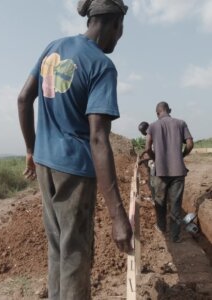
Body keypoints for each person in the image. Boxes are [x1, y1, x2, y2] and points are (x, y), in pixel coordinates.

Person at [17, 0, 132, 299]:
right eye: (121, 31)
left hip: (44, 164)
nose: (119, 38)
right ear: (114, 23)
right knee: (75, 256)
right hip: (75, 173)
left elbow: (22, 99)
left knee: (57, 247)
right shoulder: (101, 66)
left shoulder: (53, 47)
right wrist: (118, 216)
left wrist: (31, 149)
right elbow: (98, 138)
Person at [144, 101, 194, 243]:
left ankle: (161, 228)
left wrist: (156, 159)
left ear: (157, 113)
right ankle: (175, 236)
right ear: (169, 110)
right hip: (178, 171)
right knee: (176, 204)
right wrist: (182, 155)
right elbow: (190, 144)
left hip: (160, 172)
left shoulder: (152, 126)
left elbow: (147, 148)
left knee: (160, 202)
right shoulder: (181, 123)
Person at [138, 121, 155, 202]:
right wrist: (143, 153)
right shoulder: (150, 135)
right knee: (150, 181)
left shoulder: (154, 136)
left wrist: (143, 160)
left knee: (152, 183)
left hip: (156, 164)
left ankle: (155, 199)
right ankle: (153, 197)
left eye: (142, 132)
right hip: (152, 163)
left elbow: (155, 155)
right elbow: (148, 149)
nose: (142, 134)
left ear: (146, 129)